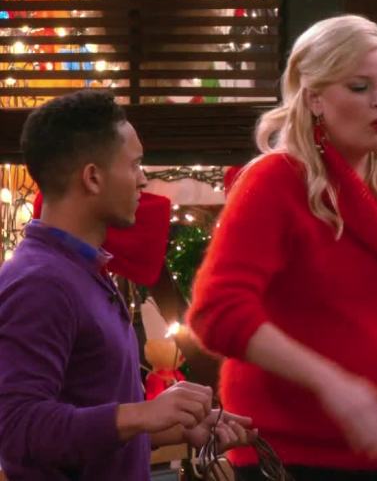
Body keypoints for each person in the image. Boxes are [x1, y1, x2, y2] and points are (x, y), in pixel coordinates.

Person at [187, 14, 377, 481]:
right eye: (359, 87)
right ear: (314, 98)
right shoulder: (273, 182)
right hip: (286, 451)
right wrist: (330, 383)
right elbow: (218, 312)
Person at [0, 89, 254, 480]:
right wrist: (142, 413)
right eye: (134, 165)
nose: (143, 180)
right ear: (93, 177)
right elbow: (17, 429)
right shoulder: (41, 283)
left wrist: (173, 429)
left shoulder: (82, 270)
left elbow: (87, 421)